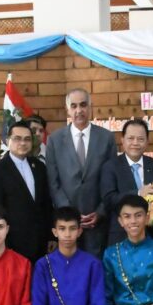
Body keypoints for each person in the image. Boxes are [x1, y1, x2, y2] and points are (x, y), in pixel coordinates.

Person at [44, 88, 117, 256]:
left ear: (90, 107)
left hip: (97, 223)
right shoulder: (55, 140)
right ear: (67, 109)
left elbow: (111, 180)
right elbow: (53, 183)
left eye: (83, 105)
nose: (79, 110)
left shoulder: (106, 138)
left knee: (95, 266)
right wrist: (70, 214)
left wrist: (100, 212)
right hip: (67, 225)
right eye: (74, 106)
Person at [0, 121, 52, 262]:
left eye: (27, 139)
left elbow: (46, 204)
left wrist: (51, 236)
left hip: (40, 241)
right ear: (8, 141)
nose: (22, 143)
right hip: (13, 243)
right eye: (17, 138)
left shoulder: (39, 167)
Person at [100, 118, 153, 247]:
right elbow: (109, 200)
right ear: (122, 140)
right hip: (121, 236)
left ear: (147, 142)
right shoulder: (110, 167)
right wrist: (138, 193)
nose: (135, 143)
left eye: (140, 139)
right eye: (130, 138)